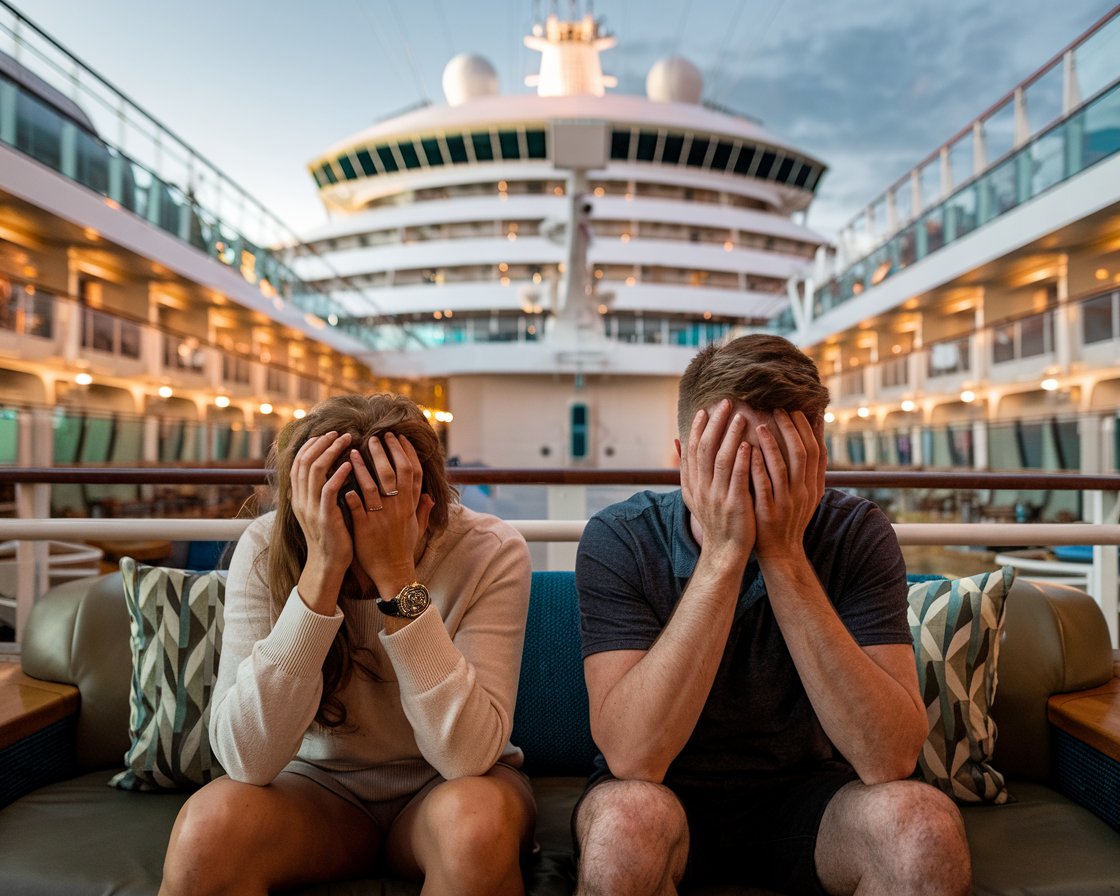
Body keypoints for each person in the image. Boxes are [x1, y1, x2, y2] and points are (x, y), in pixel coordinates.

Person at [572, 334, 971, 896]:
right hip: (663, 795)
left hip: (812, 801)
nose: (757, 488)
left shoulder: (854, 533)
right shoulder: (622, 538)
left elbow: (890, 757)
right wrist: (723, 556)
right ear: (683, 460)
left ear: (819, 465)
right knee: (624, 824)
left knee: (921, 825)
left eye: (781, 467)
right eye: (732, 465)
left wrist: (783, 554)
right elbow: (633, 756)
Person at [160, 393, 535, 896]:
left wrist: (398, 578)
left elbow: (467, 757)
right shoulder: (267, 546)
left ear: (426, 506)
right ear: (304, 511)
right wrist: (320, 573)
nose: (362, 549)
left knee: (473, 828)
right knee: (207, 831)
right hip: (315, 793)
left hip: (447, 787)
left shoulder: (491, 551)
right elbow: (246, 758)